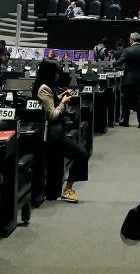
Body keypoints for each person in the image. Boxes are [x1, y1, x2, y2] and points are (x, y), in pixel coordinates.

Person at [33, 60, 89, 202]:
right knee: (81, 154)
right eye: (56, 72)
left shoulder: (43, 85)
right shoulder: (44, 88)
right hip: (53, 134)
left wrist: (61, 96)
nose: (58, 75)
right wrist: (63, 103)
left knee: (55, 165)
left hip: (54, 133)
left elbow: (50, 103)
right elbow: (51, 115)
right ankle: (68, 188)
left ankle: (53, 193)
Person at [121, 32, 140, 127]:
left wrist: (113, 63)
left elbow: (119, 61)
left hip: (128, 80)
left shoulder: (127, 50)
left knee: (126, 101)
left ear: (132, 39)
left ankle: (126, 121)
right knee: (139, 100)